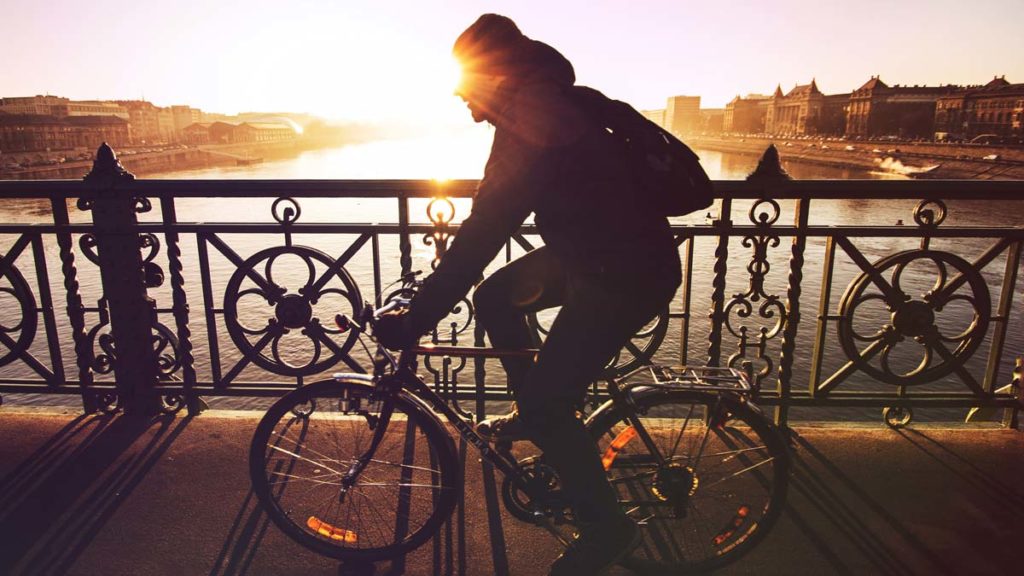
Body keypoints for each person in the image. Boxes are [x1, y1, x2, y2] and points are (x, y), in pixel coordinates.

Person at [375, 14, 682, 575]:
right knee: (495, 298)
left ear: (494, 78)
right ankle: (538, 412)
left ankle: (606, 527)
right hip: (599, 253)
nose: (466, 107)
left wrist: (414, 321)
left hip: (624, 272)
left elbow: (483, 232)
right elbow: (489, 233)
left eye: (466, 91)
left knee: (547, 402)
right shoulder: (552, 101)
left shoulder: (533, 120)